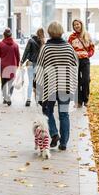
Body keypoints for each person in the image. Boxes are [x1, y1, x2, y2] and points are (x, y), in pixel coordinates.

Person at [35, 21, 78, 151]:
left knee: (47, 111)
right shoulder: (68, 47)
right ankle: (63, 143)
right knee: (64, 114)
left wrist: (37, 84)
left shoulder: (46, 48)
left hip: (50, 86)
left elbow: (40, 68)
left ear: (49, 32)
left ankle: (54, 133)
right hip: (65, 86)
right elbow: (74, 66)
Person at [68, 19, 95, 108]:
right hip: (75, 62)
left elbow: (92, 47)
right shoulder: (71, 37)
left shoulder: (87, 35)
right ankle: (79, 101)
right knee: (77, 82)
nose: (76, 26)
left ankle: (86, 99)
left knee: (86, 80)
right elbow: (69, 49)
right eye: (74, 25)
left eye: (78, 24)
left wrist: (88, 54)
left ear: (81, 25)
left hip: (85, 61)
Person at [0, 28, 20, 106]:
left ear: (4, 35)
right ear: (11, 35)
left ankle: (5, 97)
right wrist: (17, 65)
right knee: (11, 82)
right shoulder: (15, 45)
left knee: (4, 82)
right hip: (13, 66)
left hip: (3, 66)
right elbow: (18, 56)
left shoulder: (1, 44)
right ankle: (9, 95)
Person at [21, 28, 45, 107]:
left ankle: (28, 99)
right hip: (40, 65)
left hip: (31, 63)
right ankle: (38, 99)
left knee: (30, 82)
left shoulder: (31, 41)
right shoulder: (43, 42)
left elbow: (26, 51)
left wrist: (22, 61)